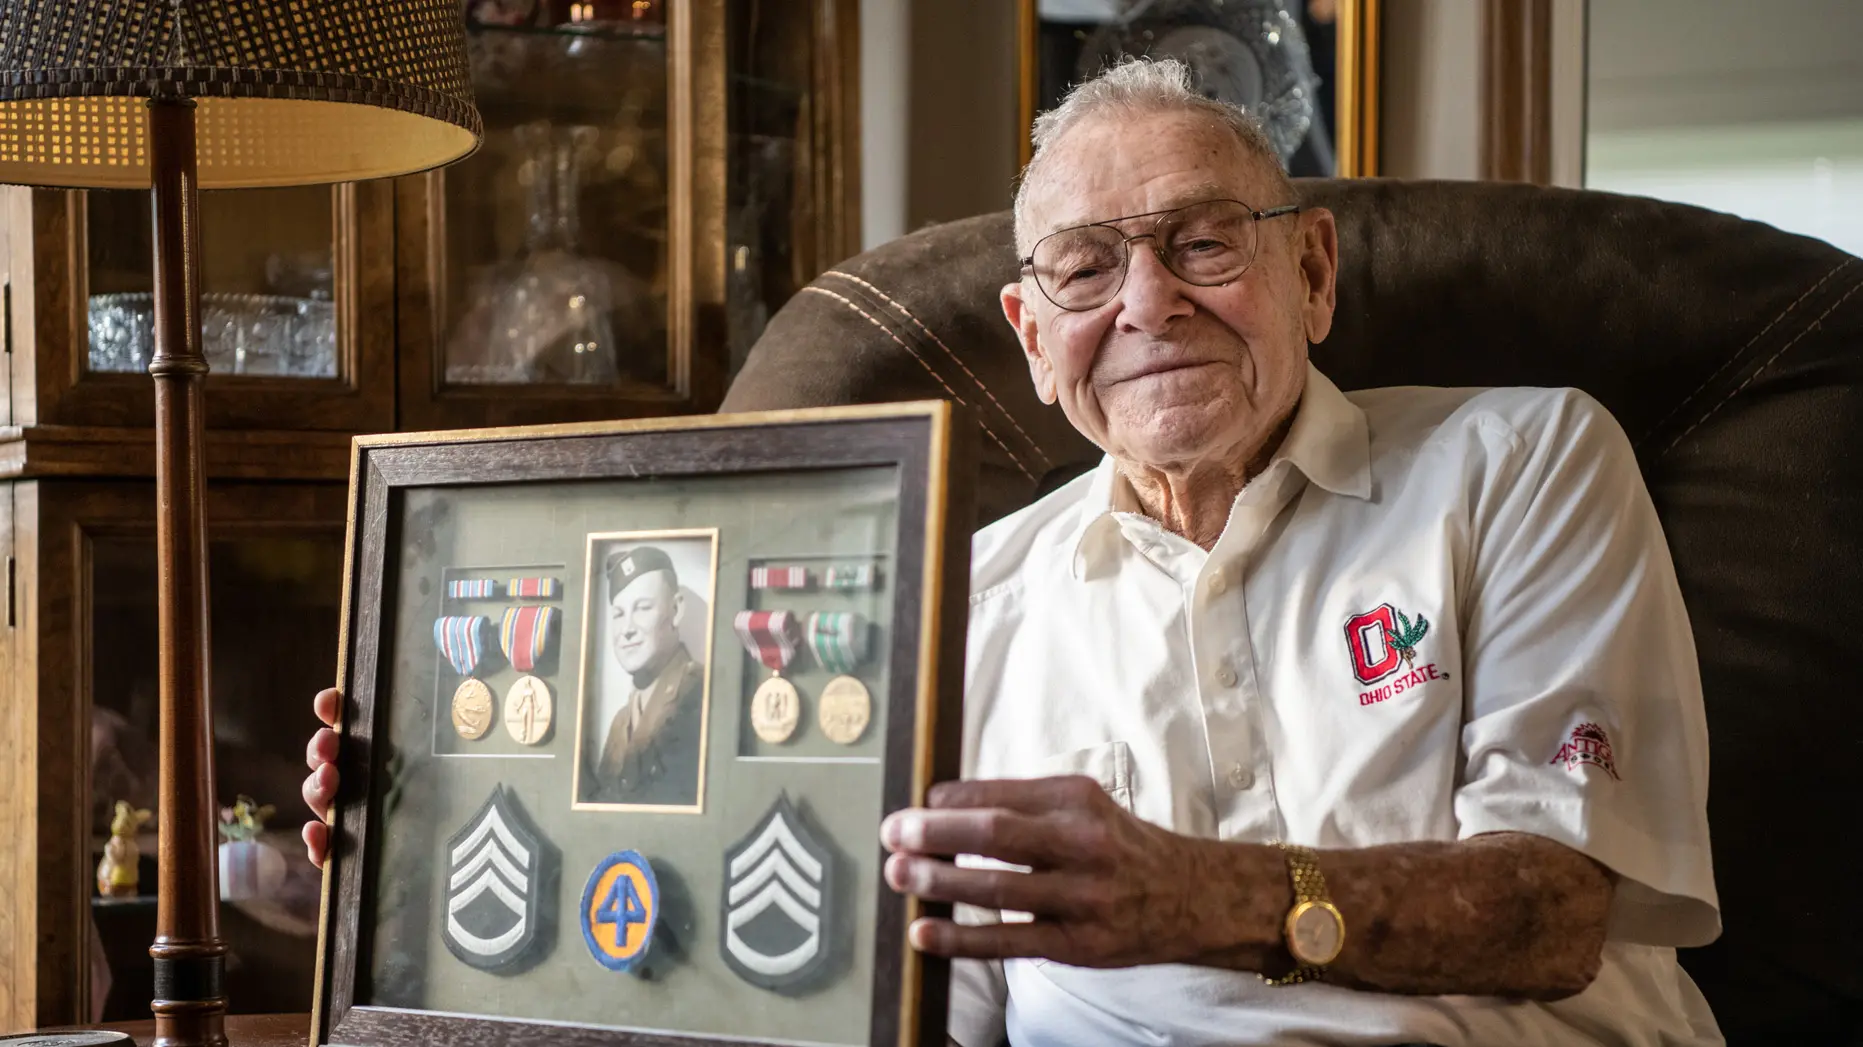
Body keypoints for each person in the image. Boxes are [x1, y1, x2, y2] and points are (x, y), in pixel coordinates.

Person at [306, 58, 1719, 1047]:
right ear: (1032, 340)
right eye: (1086, 268)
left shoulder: (1522, 459)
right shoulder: (955, 592)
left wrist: (1193, 892)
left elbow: (1549, 911)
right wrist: (423, 835)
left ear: (1313, 273)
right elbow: (882, 991)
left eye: (1202, 242)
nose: (1149, 300)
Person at [590, 544, 704, 805]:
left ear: (676, 611)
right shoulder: (621, 722)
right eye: (619, 614)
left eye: (642, 608)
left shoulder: (698, 695)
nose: (627, 629)